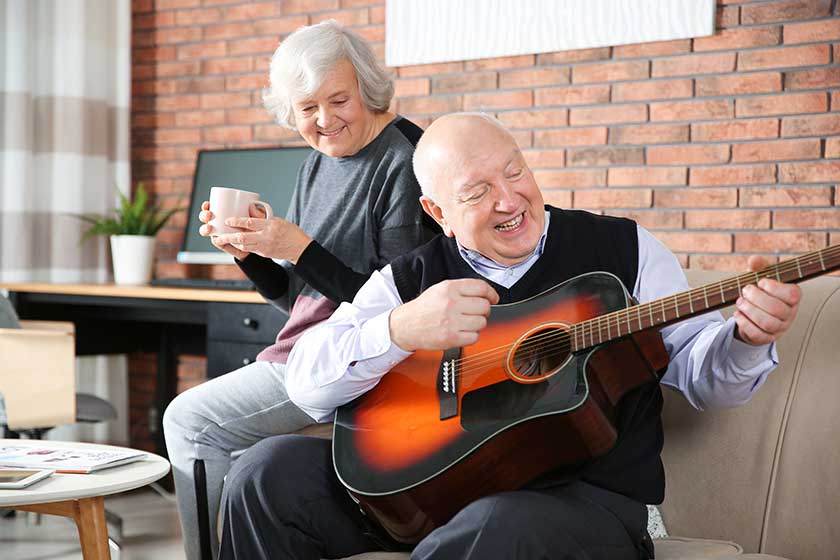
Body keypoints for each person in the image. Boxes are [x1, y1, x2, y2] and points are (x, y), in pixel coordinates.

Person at [217, 113, 802, 560]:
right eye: (475, 192)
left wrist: (747, 338)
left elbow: (703, 379)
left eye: (514, 170)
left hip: (584, 502)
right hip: (428, 496)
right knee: (264, 473)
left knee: (494, 528)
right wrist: (399, 329)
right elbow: (306, 385)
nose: (509, 198)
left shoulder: (625, 251)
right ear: (437, 210)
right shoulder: (410, 278)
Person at [162, 20, 436, 560]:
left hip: (360, 360)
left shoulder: (406, 161)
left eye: (339, 100)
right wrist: (251, 254)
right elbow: (302, 299)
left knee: (188, 422)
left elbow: (401, 309)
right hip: (308, 350)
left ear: (367, 88)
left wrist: (296, 244)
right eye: (307, 108)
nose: (325, 120)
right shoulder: (316, 165)